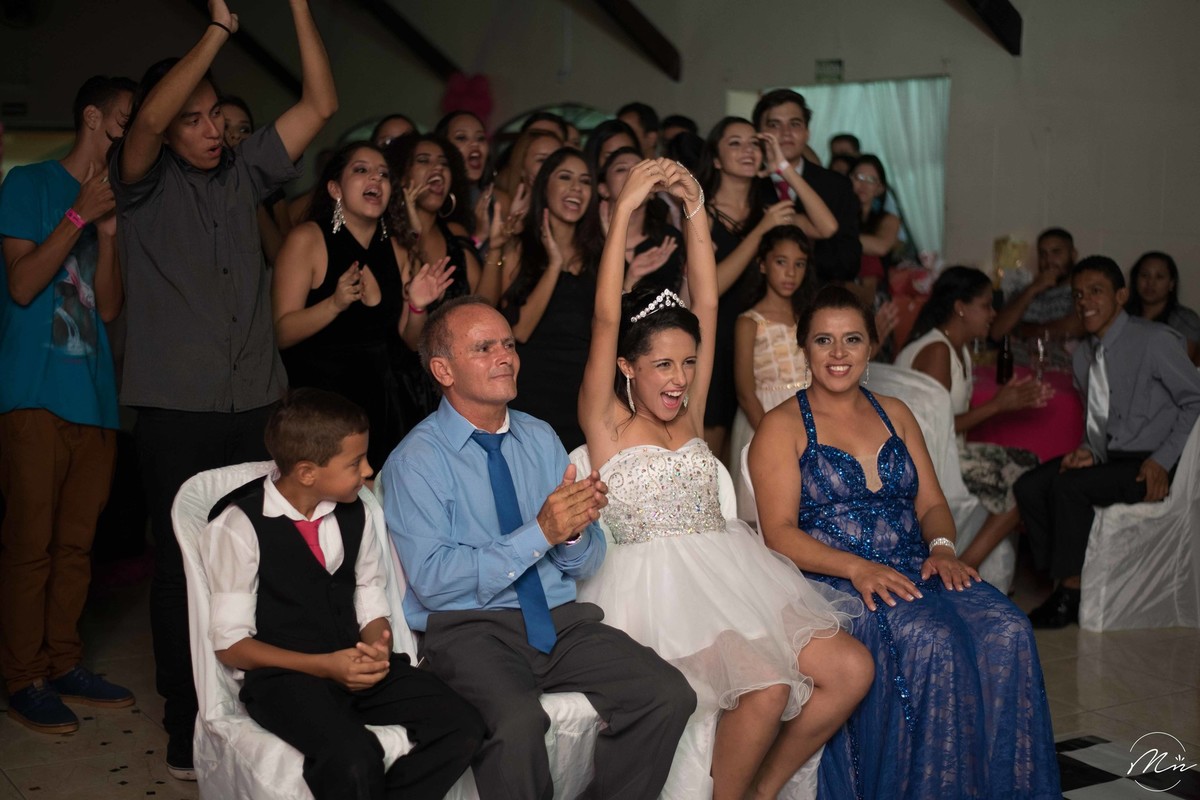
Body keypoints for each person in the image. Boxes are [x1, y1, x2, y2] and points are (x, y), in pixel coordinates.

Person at [576, 159, 869, 799]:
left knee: (850, 669)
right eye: (661, 366)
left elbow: (707, 302)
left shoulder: (689, 411)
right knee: (766, 686)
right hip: (655, 592)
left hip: (731, 571)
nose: (679, 378)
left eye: (687, 362)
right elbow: (603, 318)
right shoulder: (606, 423)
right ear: (627, 367)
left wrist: (696, 209)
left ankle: (762, 788)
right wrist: (626, 208)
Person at [111, 0, 338, 778]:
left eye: (217, 116)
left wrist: (297, 7)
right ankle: (186, 720)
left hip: (258, 406)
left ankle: (263, 704)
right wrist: (218, 31)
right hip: (177, 410)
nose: (212, 129)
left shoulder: (246, 171)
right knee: (185, 568)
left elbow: (320, 104)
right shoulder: (140, 182)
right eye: (195, 118)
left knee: (264, 556)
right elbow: (146, 123)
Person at [750, 286, 1061, 799]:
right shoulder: (781, 427)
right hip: (834, 580)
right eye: (824, 340)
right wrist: (857, 568)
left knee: (1009, 629)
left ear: (872, 346)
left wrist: (941, 548)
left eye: (852, 339)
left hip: (916, 564)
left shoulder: (895, 413)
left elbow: (932, 504)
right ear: (803, 347)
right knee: (930, 639)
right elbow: (779, 533)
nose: (838, 353)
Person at [382, 296, 697, 800]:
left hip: (559, 621)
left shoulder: (540, 436)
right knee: (516, 723)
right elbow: (435, 582)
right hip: (469, 631)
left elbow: (588, 559)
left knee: (667, 694)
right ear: (443, 370)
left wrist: (572, 534)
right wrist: (542, 532)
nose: (504, 357)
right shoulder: (415, 460)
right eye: (484, 348)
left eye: (508, 344)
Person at [202, 389, 483, 800]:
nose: (368, 470)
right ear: (307, 472)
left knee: (463, 726)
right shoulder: (239, 526)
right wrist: (325, 665)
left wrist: (376, 647)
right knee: (353, 757)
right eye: (355, 463)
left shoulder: (358, 511)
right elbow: (231, 645)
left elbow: (369, 591)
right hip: (286, 680)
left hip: (354, 664)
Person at [0, 74, 135, 735]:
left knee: (78, 548)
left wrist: (106, 235)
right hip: (33, 394)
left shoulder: (116, 202)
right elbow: (23, 285)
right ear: (93, 117)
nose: (132, 130)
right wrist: (78, 216)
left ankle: (63, 663)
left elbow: (107, 309)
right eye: (126, 117)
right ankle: (22, 676)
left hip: (95, 402)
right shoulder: (27, 183)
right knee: (30, 545)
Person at [1015, 256, 1200, 628]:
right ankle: (1061, 576)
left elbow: (1195, 400)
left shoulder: (1154, 341)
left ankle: (1071, 592)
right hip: (1110, 456)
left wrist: (1162, 461)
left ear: (1121, 296)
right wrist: (1089, 451)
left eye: (1095, 291)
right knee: (1030, 486)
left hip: (1150, 460)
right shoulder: (1084, 355)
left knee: (1068, 488)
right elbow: (1097, 418)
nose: (1084, 301)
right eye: (1078, 294)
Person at [272, 141, 455, 468]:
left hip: (384, 407)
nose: (375, 179)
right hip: (322, 412)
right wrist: (334, 304)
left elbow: (412, 340)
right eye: (361, 170)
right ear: (335, 188)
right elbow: (281, 333)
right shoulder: (307, 239)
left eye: (383, 174)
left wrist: (417, 306)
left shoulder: (397, 248)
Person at [697, 116, 836, 462]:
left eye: (754, 144)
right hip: (717, 335)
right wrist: (762, 229)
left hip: (764, 338)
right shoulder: (702, 214)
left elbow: (827, 227)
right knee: (712, 450)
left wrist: (784, 168)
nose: (747, 150)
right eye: (735, 143)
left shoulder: (768, 209)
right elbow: (708, 288)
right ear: (716, 158)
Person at [895, 266, 1050, 569]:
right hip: (930, 460)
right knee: (1025, 482)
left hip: (947, 451)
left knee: (1029, 466)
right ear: (960, 308)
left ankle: (969, 564)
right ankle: (965, 567)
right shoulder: (937, 350)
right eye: (986, 305)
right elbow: (933, 430)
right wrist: (997, 406)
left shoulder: (957, 348)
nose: (993, 314)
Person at [500, 148, 605, 451]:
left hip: (584, 392)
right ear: (544, 186)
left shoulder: (599, 254)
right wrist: (555, 265)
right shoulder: (520, 248)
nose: (576, 188)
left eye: (585, 181)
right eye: (565, 178)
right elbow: (520, 331)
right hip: (533, 390)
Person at [731, 225, 816, 520]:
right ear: (762, 264)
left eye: (799, 264)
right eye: (781, 262)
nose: (790, 273)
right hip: (763, 416)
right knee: (766, 509)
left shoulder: (809, 319)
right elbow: (744, 391)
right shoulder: (749, 322)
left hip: (808, 413)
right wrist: (774, 434)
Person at [752, 90, 861, 286]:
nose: (786, 132)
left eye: (795, 124)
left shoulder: (836, 185)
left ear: (807, 133)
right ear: (759, 133)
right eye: (774, 125)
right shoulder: (748, 183)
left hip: (821, 293)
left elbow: (849, 262)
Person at [597, 146, 683, 294]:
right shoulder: (585, 243)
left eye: (641, 169)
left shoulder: (669, 240)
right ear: (603, 189)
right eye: (621, 169)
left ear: (653, 190)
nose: (634, 175)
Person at [220, 95, 291, 265]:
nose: (235, 135)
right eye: (225, 126)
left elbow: (283, 258)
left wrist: (251, 192)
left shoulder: (270, 187)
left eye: (244, 129)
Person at [992, 227, 1083, 341]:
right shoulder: (1024, 292)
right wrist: (1032, 290)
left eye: (1056, 252)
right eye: (1043, 254)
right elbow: (997, 333)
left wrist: (1022, 330)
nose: (1049, 260)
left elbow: (1076, 327)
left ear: (1073, 255)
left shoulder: (1081, 292)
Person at [1127, 250, 1200, 365]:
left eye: (1159, 277)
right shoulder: (1122, 316)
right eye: (1144, 275)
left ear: (1171, 284)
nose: (1150, 283)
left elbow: (1179, 365)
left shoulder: (1186, 320)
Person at [434, 110, 493, 244]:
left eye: (480, 138)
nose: (475, 144)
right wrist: (479, 237)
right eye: (461, 138)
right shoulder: (433, 201)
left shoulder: (495, 202)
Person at [849, 155, 899, 305]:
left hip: (877, 299)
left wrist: (837, 236)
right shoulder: (837, 215)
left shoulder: (889, 219)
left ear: (880, 188)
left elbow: (881, 246)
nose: (863, 184)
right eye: (859, 177)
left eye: (871, 180)